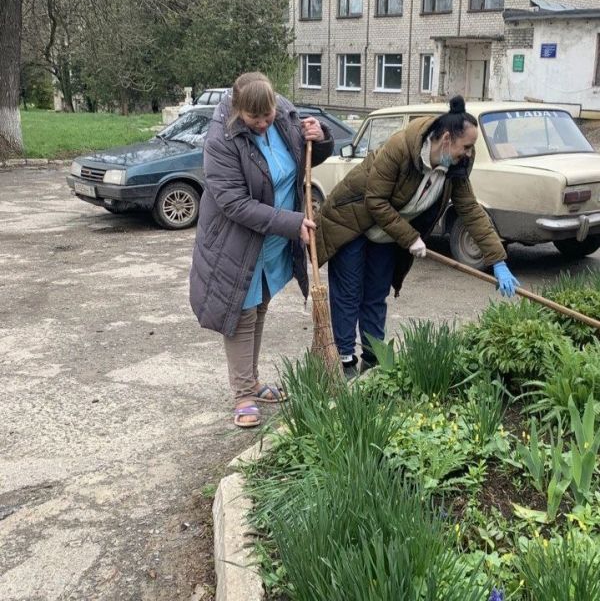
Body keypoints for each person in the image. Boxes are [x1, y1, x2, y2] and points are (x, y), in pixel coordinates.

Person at [315, 95, 520, 379]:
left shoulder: (455, 167)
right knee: (349, 294)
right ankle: (345, 362)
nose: (470, 153)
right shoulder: (400, 148)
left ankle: (374, 362)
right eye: (467, 146)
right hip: (352, 222)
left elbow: (470, 210)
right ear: (446, 138)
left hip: (388, 232)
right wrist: (411, 238)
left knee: (375, 295)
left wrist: (497, 258)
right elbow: (375, 201)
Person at [189, 72, 333, 427]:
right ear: (239, 112)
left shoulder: (282, 111)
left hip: (273, 238)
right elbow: (233, 202)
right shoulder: (222, 138)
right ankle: (242, 394)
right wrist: (291, 223)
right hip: (236, 240)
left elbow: (307, 156)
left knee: (260, 305)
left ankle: (252, 381)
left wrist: (321, 137)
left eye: (268, 116)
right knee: (240, 312)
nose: (265, 124)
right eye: (256, 120)